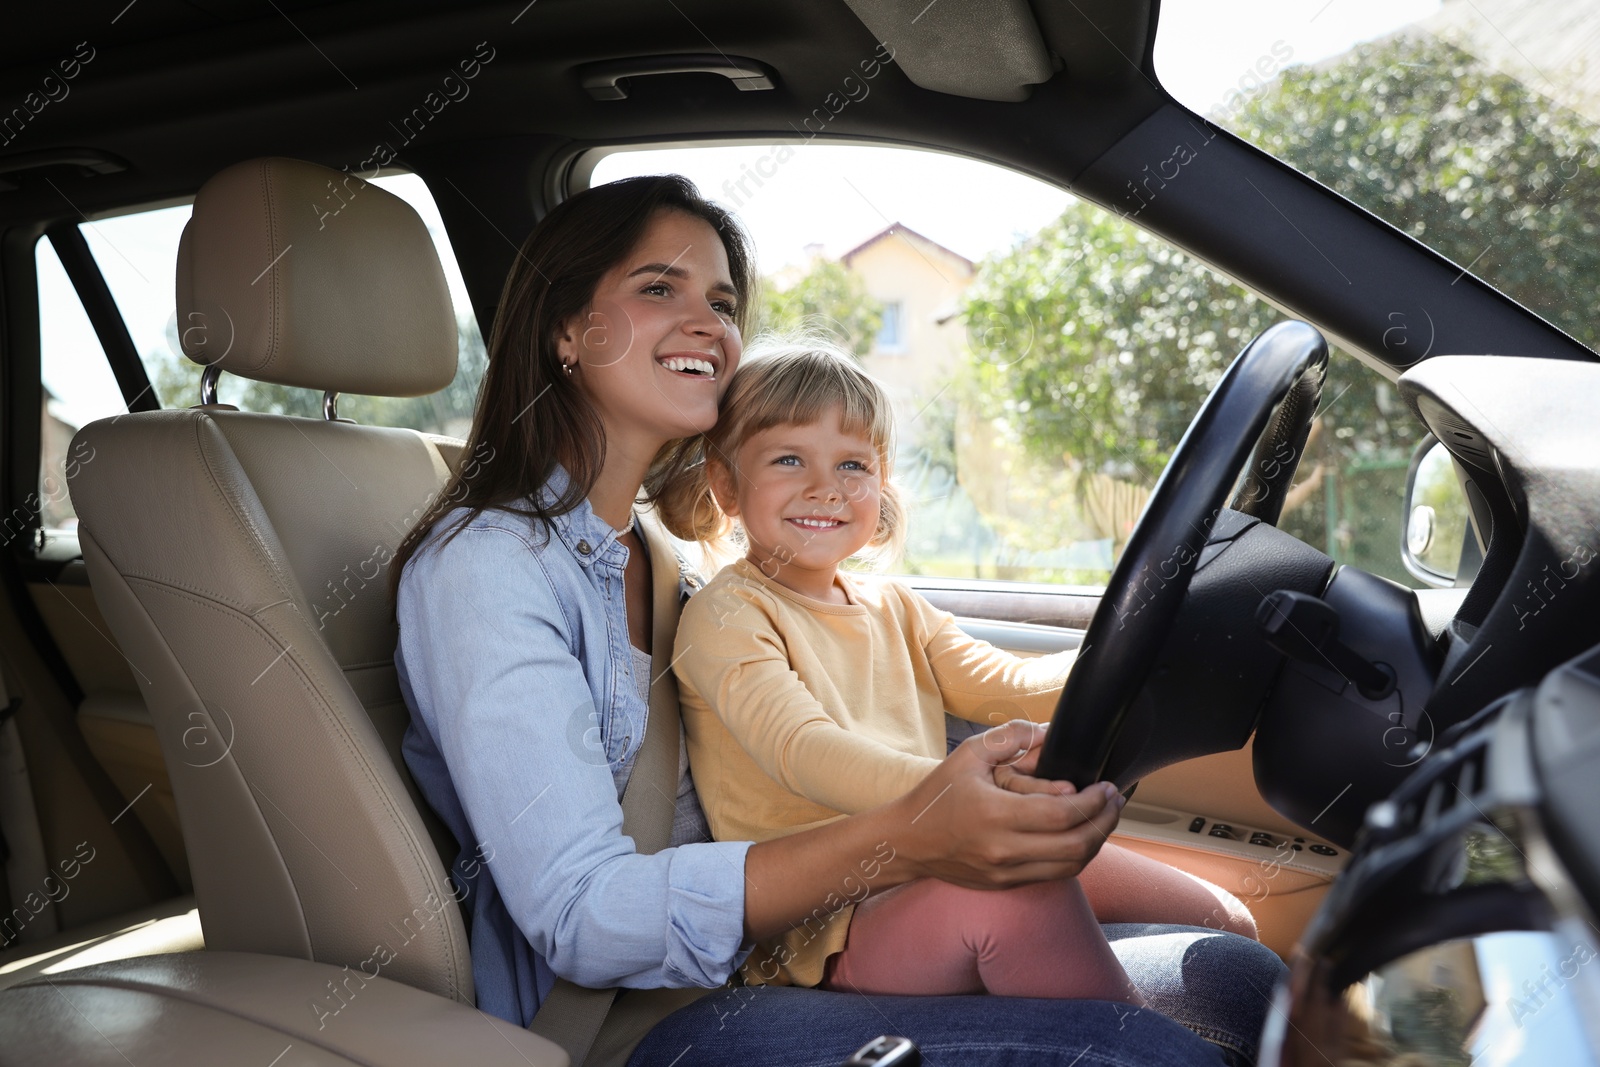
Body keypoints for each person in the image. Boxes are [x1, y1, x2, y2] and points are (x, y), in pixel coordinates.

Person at [392, 173, 1285, 1067]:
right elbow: (586, 918)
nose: (708, 323)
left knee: (1237, 962)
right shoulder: (487, 567)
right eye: (659, 286)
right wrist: (914, 824)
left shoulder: (659, 551)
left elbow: (979, 683)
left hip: (788, 937)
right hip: (632, 1013)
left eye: (723, 300)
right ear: (565, 330)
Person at [662, 340, 1254, 1007]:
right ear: (725, 484)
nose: (826, 486)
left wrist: (1137, 649)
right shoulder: (728, 615)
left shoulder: (894, 604)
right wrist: (965, 792)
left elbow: (1004, 684)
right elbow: (803, 750)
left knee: (1225, 917)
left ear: (880, 484)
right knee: (1023, 891)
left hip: (943, 851)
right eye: (789, 458)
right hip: (828, 924)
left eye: (852, 464)